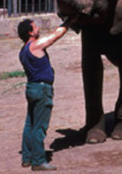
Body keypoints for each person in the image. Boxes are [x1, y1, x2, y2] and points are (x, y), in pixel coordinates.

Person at [17, 18, 71, 171]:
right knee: (39, 127)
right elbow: (56, 35)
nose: (38, 28)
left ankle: (27, 158)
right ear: (30, 32)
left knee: (30, 124)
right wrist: (70, 21)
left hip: (31, 88)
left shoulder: (23, 51)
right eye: (35, 27)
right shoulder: (36, 45)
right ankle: (38, 161)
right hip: (42, 90)